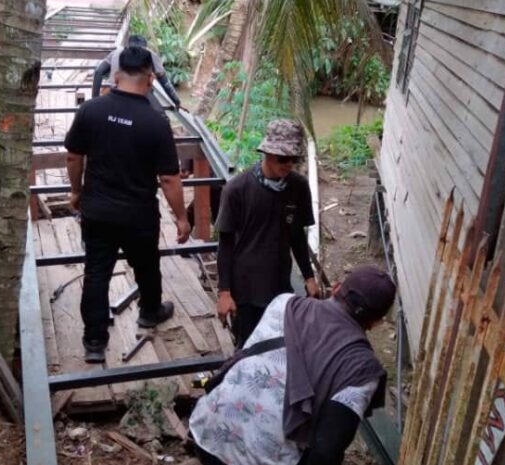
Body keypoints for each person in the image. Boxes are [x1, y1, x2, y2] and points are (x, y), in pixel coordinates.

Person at [189, 266, 396, 465]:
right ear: (377, 321)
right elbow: (325, 452)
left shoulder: (284, 303)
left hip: (204, 435)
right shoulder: (363, 370)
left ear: (336, 288)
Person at [65, 46, 192, 363]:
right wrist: (181, 218)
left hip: (97, 211)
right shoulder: (156, 121)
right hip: (138, 215)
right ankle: (150, 312)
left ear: (116, 75)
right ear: (150, 80)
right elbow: (169, 179)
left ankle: (94, 342)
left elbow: (73, 156)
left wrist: (76, 192)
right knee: (147, 265)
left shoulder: (91, 110)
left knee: (96, 273)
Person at [215, 119, 318, 347]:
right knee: (248, 347)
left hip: (280, 284)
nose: (288, 164)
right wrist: (224, 292)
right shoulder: (237, 190)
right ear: (267, 153)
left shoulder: (298, 187)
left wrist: (309, 277)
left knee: (279, 345)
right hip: (246, 288)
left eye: (294, 158)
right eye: (282, 158)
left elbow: (297, 236)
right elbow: (225, 244)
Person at [91, 35, 182, 112]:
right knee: (160, 116)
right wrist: (176, 101)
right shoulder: (150, 54)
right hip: (138, 93)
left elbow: (99, 72)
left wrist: (95, 98)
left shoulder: (116, 52)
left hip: (110, 91)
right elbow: (164, 81)